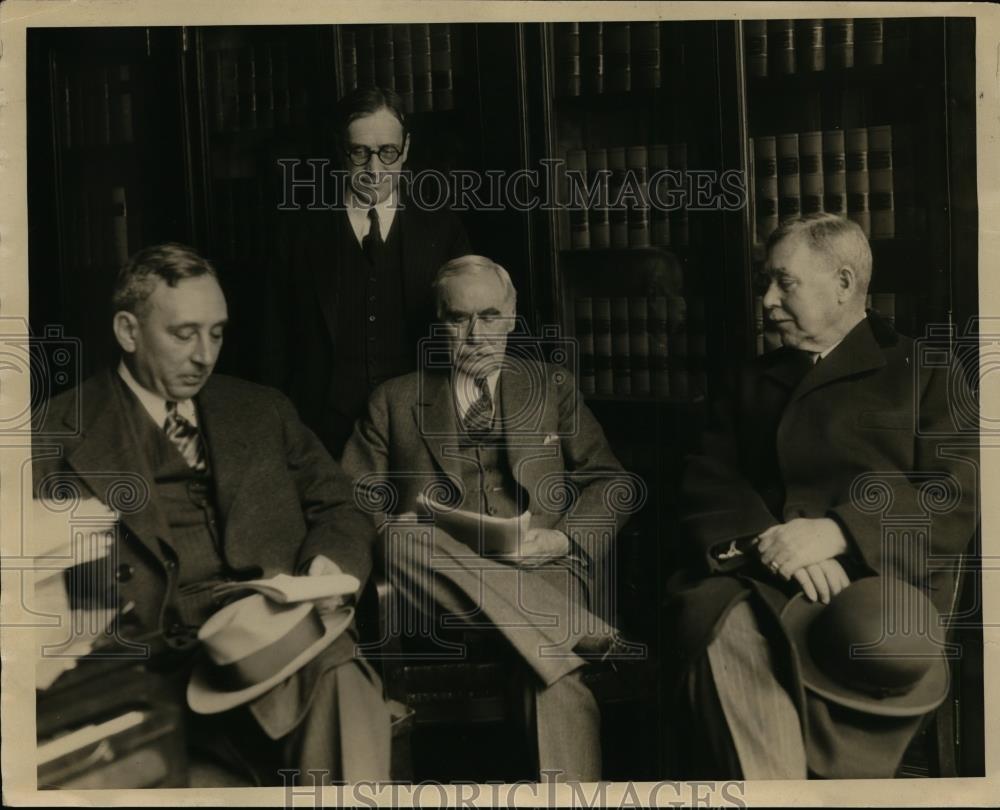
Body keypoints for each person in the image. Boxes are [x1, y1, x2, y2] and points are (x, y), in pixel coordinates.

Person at [31, 243, 391, 786]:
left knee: (339, 671)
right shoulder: (54, 431)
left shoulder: (261, 409)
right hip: (145, 662)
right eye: (184, 334)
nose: (205, 355)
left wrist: (327, 570)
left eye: (217, 333)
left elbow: (339, 504)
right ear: (128, 332)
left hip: (266, 642)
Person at [666, 213, 978, 779]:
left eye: (784, 282)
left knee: (867, 644)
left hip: (873, 583)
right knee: (722, 624)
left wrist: (836, 534)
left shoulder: (926, 370)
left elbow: (954, 495)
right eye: (767, 281)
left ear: (843, 283)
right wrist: (771, 545)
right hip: (753, 571)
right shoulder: (751, 378)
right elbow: (706, 476)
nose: (766, 300)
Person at [341, 255, 638, 782]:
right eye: (459, 319)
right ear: (439, 320)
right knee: (402, 538)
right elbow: (352, 502)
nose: (476, 334)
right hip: (436, 586)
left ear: (513, 316)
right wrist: (396, 529)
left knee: (550, 672)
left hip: (542, 568)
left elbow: (612, 483)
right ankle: (579, 633)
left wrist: (562, 542)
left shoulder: (552, 387)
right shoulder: (393, 399)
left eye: (491, 316)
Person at [266, 86, 471, 457]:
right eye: (360, 153)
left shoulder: (442, 229)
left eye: (388, 152)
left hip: (420, 435)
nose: (374, 170)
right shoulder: (297, 232)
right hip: (319, 435)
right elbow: (274, 348)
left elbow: (467, 339)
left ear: (406, 148)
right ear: (340, 149)